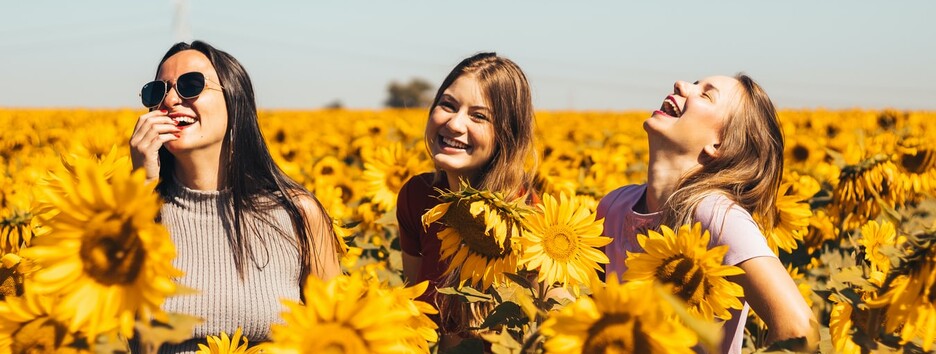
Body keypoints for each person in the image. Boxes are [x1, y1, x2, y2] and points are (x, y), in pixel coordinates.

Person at [129, 40, 341, 352]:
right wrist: (139, 191)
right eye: (157, 91)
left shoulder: (297, 213)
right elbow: (134, 338)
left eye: (190, 85)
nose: (170, 99)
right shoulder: (132, 216)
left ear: (234, 100)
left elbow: (337, 330)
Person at [596, 75, 819, 353]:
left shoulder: (716, 215)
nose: (680, 85)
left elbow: (799, 330)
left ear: (718, 146)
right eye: (694, 83)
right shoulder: (614, 205)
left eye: (705, 95)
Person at [396, 52, 538, 349]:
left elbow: (534, 325)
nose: (455, 124)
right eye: (448, 105)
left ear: (506, 134)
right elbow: (415, 308)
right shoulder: (417, 197)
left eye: (479, 116)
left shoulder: (528, 217)